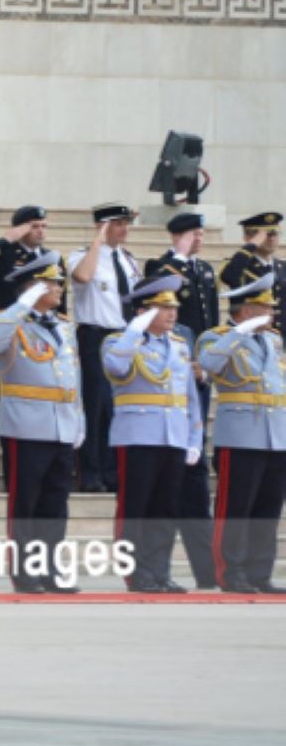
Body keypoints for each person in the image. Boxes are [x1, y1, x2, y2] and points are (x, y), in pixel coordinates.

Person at [0, 251, 84, 593]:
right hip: (27, 427)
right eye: (53, 283)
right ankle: (25, 573)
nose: (59, 289)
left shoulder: (64, 325)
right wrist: (23, 303)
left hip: (61, 426)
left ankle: (50, 571)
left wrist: (78, 419)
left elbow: (73, 376)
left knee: (55, 507)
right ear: (35, 288)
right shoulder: (10, 322)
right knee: (26, 505)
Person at [106, 274, 202, 593]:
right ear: (144, 311)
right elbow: (117, 369)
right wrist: (135, 330)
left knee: (165, 508)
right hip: (138, 435)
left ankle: (159, 571)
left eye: (173, 307)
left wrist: (194, 438)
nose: (172, 313)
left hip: (173, 434)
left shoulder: (178, 344)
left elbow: (189, 396)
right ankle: (136, 573)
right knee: (137, 506)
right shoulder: (120, 340)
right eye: (163, 308)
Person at [196, 274, 286, 593]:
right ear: (247, 311)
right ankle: (230, 571)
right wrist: (238, 333)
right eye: (265, 308)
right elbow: (207, 364)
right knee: (235, 507)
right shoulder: (216, 336)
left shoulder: (274, 340)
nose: (272, 314)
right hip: (240, 434)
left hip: (275, 433)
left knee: (268, 508)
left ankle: (260, 572)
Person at [144, 210, 220, 589]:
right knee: (165, 494)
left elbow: (212, 325)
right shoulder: (161, 266)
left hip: (192, 386)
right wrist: (179, 258)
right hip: (158, 411)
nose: (199, 238)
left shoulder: (204, 272)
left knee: (195, 486)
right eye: (193, 233)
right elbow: (158, 285)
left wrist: (204, 368)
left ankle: (208, 570)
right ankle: (152, 572)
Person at [69, 202, 141, 493]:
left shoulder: (128, 259)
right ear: (104, 225)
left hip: (123, 336)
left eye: (127, 223)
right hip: (96, 336)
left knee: (117, 407)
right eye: (119, 223)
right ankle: (90, 471)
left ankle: (113, 471)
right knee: (95, 406)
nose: (125, 229)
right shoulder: (82, 255)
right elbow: (83, 277)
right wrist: (97, 241)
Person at [0, 205, 66, 312]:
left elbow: (60, 296)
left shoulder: (52, 257)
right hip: (11, 321)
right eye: (35, 227)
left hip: (43, 321)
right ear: (19, 229)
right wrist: (6, 240)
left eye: (44, 226)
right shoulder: (3, 254)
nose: (41, 231)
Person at [221, 212, 285, 334]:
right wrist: (251, 246)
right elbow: (229, 276)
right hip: (250, 335)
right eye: (266, 235)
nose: (271, 238)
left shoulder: (282, 267)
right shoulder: (240, 265)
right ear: (249, 237)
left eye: (274, 233)